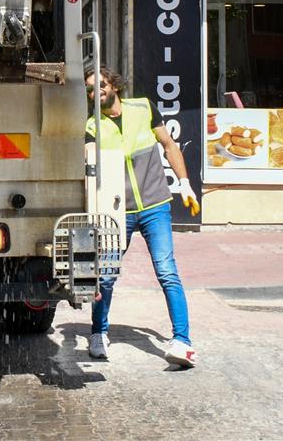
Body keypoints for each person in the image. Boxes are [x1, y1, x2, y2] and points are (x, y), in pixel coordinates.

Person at [84, 66, 199, 368]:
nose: (97, 93)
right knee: (106, 275)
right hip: (117, 211)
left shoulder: (144, 107)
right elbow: (89, 168)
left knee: (166, 271)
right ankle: (98, 333)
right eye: (91, 90)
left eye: (101, 86)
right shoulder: (92, 127)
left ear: (115, 86)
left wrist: (185, 184)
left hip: (155, 206)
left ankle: (182, 342)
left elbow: (169, 145)